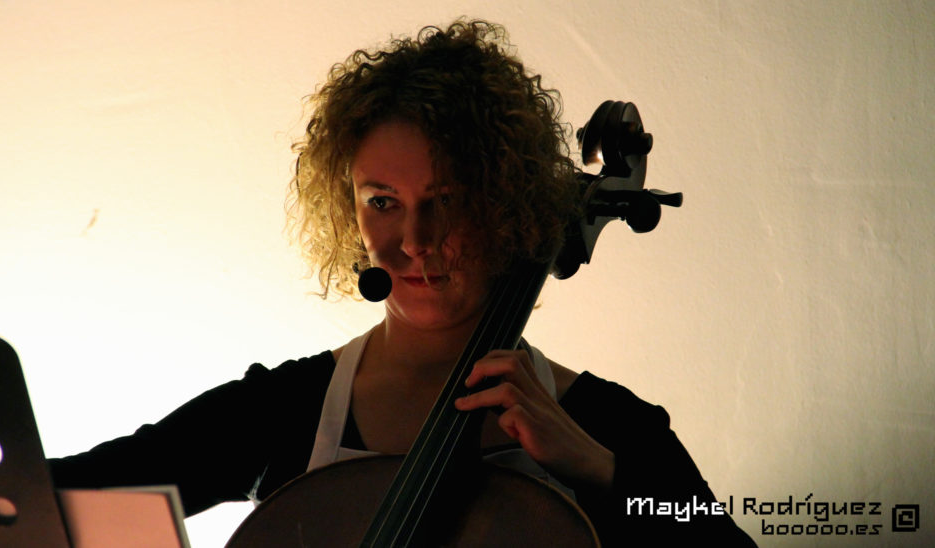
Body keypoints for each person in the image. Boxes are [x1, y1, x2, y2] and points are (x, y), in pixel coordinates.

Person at [49, 19, 755, 545]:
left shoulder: (607, 426)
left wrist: (602, 470)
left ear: (508, 207)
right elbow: (48, 500)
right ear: (348, 209)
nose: (415, 241)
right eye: (383, 201)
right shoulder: (283, 412)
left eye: (447, 200)